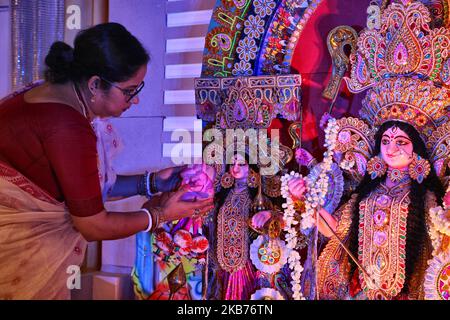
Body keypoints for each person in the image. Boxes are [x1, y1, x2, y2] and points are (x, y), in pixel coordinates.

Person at [0, 22, 213, 299]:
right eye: (129, 91)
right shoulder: (67, 127)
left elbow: (84, 191)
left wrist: (154, 182)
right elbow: (92, 225)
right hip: (18, 257)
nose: (134, 101)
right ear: (95, 84)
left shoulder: (54, 95)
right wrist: (161, 216)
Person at [289, 120, 445, 299]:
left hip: (406, 288)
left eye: (400, 142)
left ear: (416, 149)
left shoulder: (423, 196)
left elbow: (439, 238)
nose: (390, 148)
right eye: (385, 141)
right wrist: (306, 201)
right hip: (362, 286)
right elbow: (334, 229)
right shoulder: (366, 193)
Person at [205, 151, 289, 300]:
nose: (235, 168)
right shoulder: (223, 196)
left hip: (249, 263)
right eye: (233, 163)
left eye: (242, 164)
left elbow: (285, 219)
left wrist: (270, 215)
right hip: (222, 264)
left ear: (251, 168)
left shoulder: (259, 198)